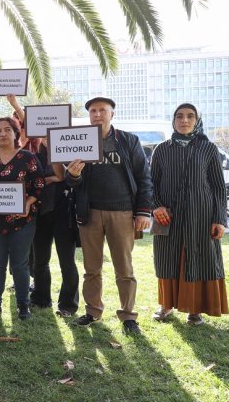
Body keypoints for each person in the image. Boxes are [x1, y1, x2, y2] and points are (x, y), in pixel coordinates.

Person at [66, 97, 152, 334]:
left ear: (112, 114)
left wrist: (143, 211)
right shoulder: (80, 140)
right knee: (92, 268)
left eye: (102, 110)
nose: (97, 114)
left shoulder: (128, 140)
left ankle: (128, 316)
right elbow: (72, 181)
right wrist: (72, 175)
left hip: (122, 212)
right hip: (90, 211)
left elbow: (143, 177)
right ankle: (93, 311)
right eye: (93, 111)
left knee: (124, 268)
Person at [150, 103, 228, 325]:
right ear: (173, 120)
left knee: (200, 258)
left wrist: (219, 219)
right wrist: (156, 206)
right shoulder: (162, 149)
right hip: (168, 216)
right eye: (180, 116)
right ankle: (166, 305)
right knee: (167, 259)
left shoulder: (208, 149)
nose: (185, 120)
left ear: (197, 121)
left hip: (200, 216)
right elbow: (151, 183)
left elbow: (218, 187)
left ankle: (196, 309)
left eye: (190, 116)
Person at [6, 95, 79, 316]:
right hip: (40, 209)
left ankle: (67, 304)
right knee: (39, 259)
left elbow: (63, 176)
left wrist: (54, 153)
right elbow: (32, 180)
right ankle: (41, 298)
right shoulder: (27, 151)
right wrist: (49, 180)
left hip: (62, 209)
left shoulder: (64, 145)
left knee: (67, 260)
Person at [0, 117, 44, 320]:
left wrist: (28, 204)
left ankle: (23, 305)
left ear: (15, 133)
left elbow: (38, 186)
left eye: (7, 130)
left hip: (23, 221)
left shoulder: (28, 158)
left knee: (20, 264)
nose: (2, 134)